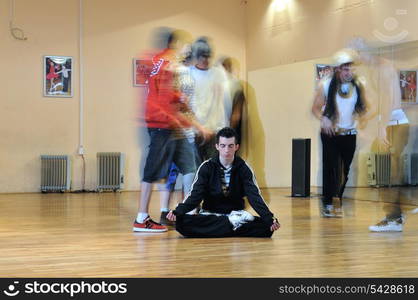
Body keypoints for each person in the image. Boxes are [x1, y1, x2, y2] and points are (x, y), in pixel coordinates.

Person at [133, 29, 210, 233]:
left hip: (168, 125)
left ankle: (186, 212)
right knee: (153, 172)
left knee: (188, 167)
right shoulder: (166, 64)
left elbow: (169, 95)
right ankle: (142, 218)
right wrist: (190, 122)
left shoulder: (158, 62)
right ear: (173, 45)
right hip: (160, 124)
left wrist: (182, 108)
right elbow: (163, 101)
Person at [166, 127, 280, 238]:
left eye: (230, 146)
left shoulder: (244, 169)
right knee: (181, 223)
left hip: (235, 214)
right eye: (223, 146)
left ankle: (225, 226)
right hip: (211, 215)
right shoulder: (206, 167)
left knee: (267, 227)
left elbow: (254, 197)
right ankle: (232, 226)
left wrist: (269, 218)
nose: (227, 150)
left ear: (236, 147)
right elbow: (195, 195)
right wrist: (178, 211)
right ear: (217, 146)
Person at [311, 48, 369, 217]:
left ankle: (339, 199)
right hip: (330, 133)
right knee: (331, 168)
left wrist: (363, 119)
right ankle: (328, 202)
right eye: (345, 69)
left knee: (345, 169)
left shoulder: (358, 85)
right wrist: (324, 118)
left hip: (349, 133)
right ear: (337, 69)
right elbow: (314, 108)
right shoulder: (326, 84)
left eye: (351, 69)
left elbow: (363, 108)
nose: (348, 72)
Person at [189, 37, 232, 161]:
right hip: (195, 131)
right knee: (196, 171)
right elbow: (185, 105)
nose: (206, 59)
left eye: (208, 56)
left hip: (215, 131)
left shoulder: (219, 73)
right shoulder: (189, 74)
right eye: (202, 56)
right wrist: (197, 128)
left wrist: (224, 128)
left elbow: (226, 102)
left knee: (214, 169)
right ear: (196, 56)